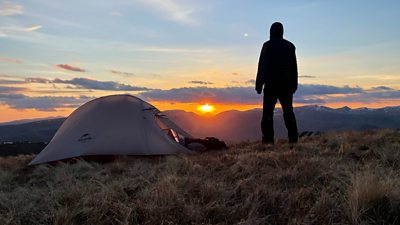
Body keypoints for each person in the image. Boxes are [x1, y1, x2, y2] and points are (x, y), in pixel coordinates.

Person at [255, 22, 298, 144]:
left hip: (271, 85)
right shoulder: (290, 46)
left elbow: (263, 66)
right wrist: (294, 85)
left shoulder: (267, 45)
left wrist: (259, 85)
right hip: (286, 85)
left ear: (271, 31)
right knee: (288, 112)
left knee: (267, 114)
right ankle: (293, 140)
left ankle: (268, 141)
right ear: (282, 31)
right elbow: (293, 68)